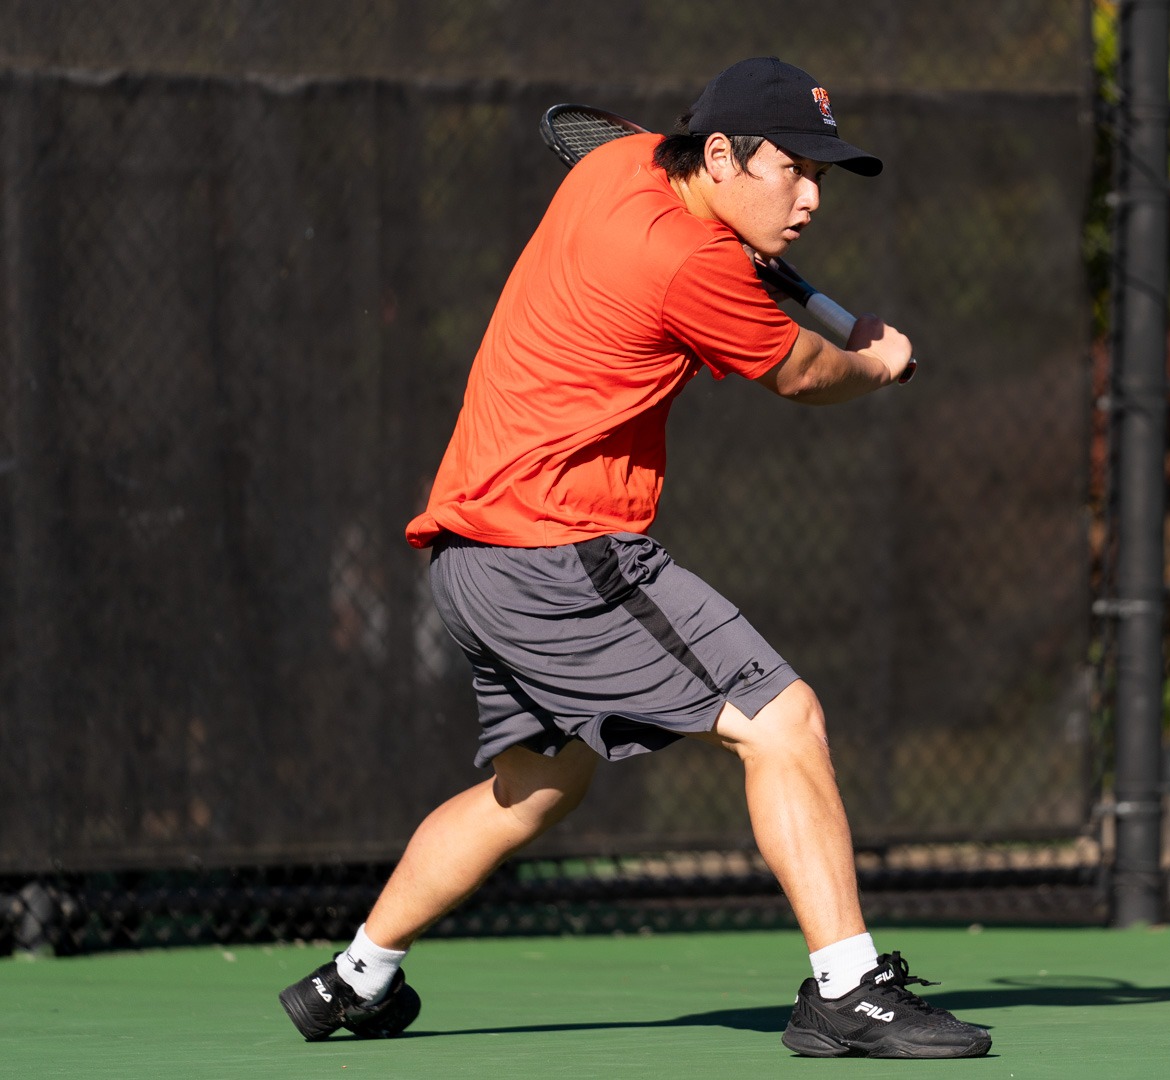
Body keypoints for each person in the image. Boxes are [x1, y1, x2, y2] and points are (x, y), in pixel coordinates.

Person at [275, 57, 991, 1059]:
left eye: (823, 174)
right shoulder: (688, 261)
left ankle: (357, 975)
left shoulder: (613, 168)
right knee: (783, 722)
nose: (813, 197)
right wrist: (875, 358)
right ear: (719, 155)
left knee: (538, 784)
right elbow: (803, 374)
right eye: (793, 169)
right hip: (556, 552)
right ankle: (848, 991)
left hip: (472, 557)